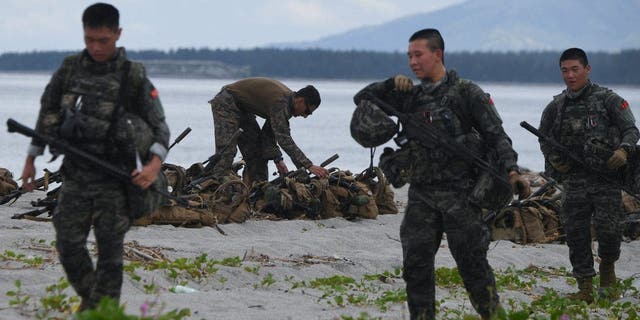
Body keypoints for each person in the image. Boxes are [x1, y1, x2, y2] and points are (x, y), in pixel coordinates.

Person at [353, 28, 529, 320]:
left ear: (438, 54)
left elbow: (497, 136)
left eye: (418, 54)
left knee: (473, 267)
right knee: (416, 266)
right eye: (409, 55)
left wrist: (513, 172)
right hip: (422, 195)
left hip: (462, 195)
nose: (412, 62)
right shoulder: (411, 97)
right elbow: (362, 99)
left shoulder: (466, 93)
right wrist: (387, 85)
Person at [19, 2, 170, 310]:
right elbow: (47, 110)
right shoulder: (70, 68)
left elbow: (160, 127)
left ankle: (102, 313)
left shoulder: (133, 75)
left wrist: (154, 167)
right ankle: (96, 304)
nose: (96, 47)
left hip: (115, 180)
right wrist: (31, 158)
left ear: (118, 34)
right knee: (68, 243)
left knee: (110, 254)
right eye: (89, 39)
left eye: (103, 40)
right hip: (76, 174)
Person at [538, 48, 639, 303]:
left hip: (605, 179)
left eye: (575, 69)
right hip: (574, 181)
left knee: (609, 230)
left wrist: (624, 151)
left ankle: (607, 273)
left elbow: (631, 129)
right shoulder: (556, 106)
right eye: (564, 70)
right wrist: (554, 159)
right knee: (576, 233)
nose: (570, 75)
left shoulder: (609, 100)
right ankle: (584, 287)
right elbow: (545, 138)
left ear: (587, 69)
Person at [208, 77, 328, 184]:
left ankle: (257, 190)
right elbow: (284, 139)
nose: (305, 116)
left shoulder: (288, 105)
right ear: (301, 101)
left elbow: (268, 136)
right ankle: (216, 188)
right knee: (226, 153)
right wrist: (309, 165)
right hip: (226, 103)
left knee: (257, 154)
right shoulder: (281, 104)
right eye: (307, 111)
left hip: (244, 109)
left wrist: (278, 160)